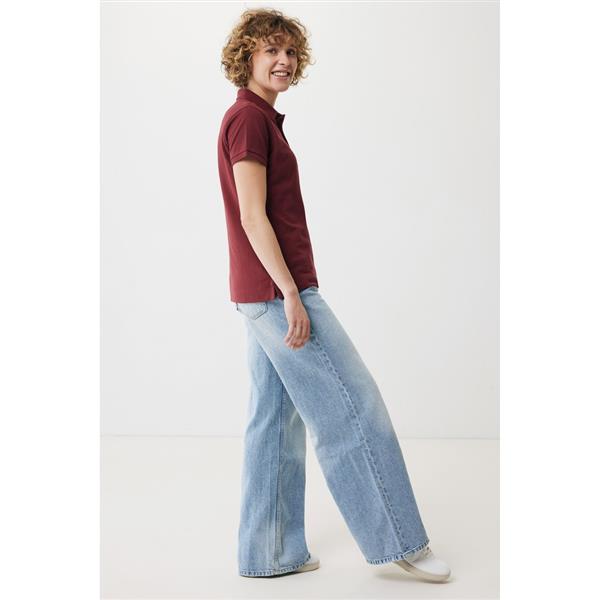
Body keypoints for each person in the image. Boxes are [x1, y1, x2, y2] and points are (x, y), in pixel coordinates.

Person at [217, 8, 451, 583]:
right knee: (352, 406)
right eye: (270, 50)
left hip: (260, 292)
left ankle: (270, 552)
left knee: (275, 420)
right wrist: (291, 294)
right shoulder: (248, 120)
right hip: (277, 293)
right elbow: (252, 216)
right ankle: (399, 540)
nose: (283, 61)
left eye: (290, 52)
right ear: (246, 57)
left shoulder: (258, 119)